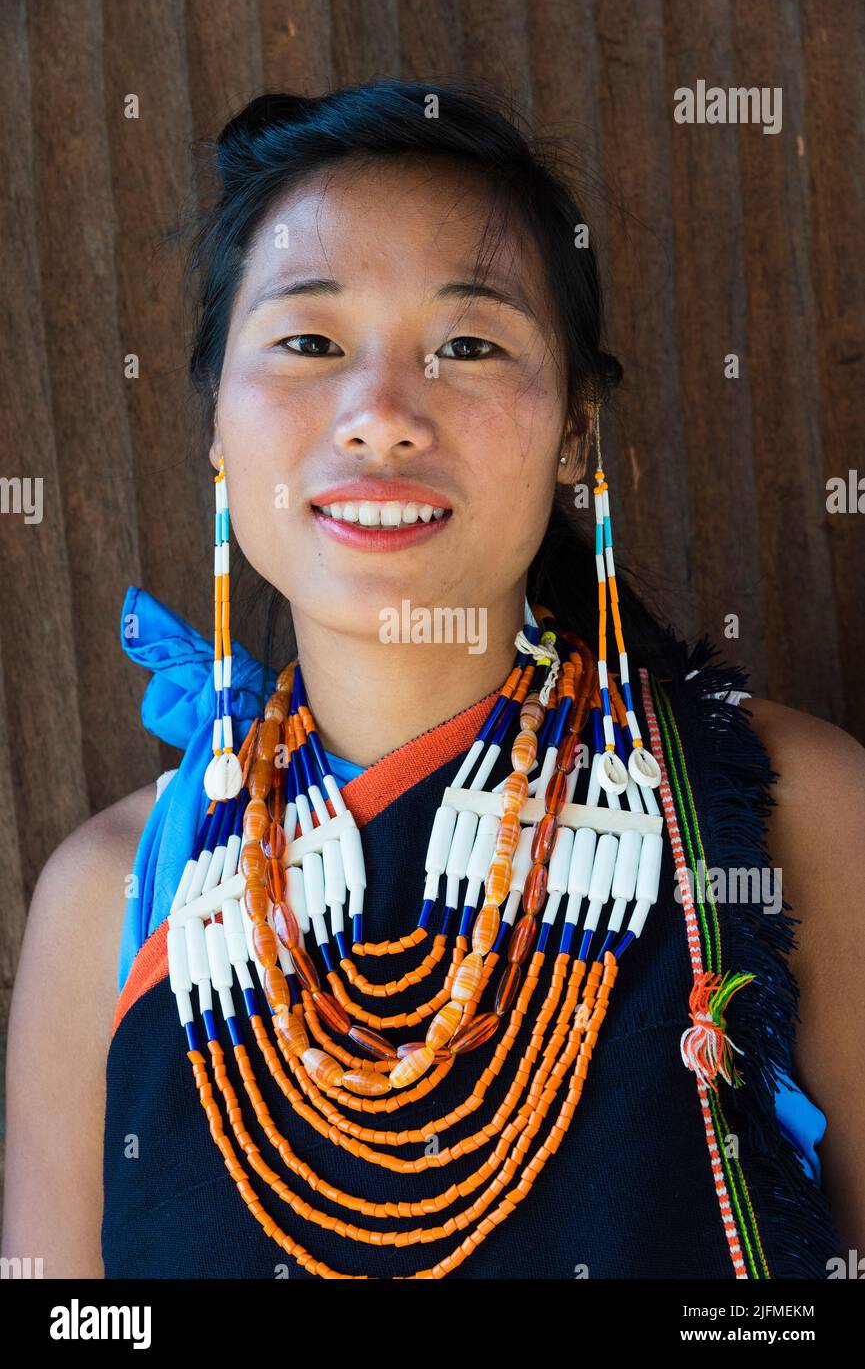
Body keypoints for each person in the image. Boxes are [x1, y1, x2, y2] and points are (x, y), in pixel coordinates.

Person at [3, 79, 863, 1279]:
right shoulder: (113, 899)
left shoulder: (789, 809)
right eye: (308, 341)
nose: (381, 415)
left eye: (469, 344)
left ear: (575, 429)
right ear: (216, 422)